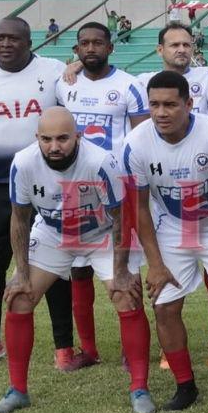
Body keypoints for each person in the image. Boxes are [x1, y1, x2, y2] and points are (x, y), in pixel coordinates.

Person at [0, 108, 151, 413]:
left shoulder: (101, 162)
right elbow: (19, 219)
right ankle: (17, 391)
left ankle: (139, 388)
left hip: (100, 232)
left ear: (78, 136)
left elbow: (121, 218)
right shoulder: (23, 163)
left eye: (62, 138)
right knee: (20, 298)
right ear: (37, 138)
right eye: (46, 139)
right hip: (52, 233)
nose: (54, 146)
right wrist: (21, 274)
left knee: (126, 296)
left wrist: (120, 272)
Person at [0, 17, 77, 370]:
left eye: (13, 38)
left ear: (29, 41)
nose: (5, 44)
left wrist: (78, 62)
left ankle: (63, 346)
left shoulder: (53, 71)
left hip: (48, 182)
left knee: (54, 264)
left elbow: (82, 82)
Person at [123, 71, 208, 413]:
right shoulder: (134, 143)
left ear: (189, 104)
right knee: (164, 306)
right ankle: (185, 387)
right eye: (154, 105)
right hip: (171, 227)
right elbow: (139, 207)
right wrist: (156, 264)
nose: (161, 112)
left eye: (170, 105)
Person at [55, 22, 148, 369]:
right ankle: (89, 350)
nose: (91, 48)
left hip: (118, 187)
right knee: (79, 269)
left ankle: (131, 348)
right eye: (84, 44)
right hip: (75, 188)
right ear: (76, 50)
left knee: (128, 266)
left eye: (97, 43)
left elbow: (140, 139)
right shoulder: (65, 84)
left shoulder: (129, 85)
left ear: (110, 47)